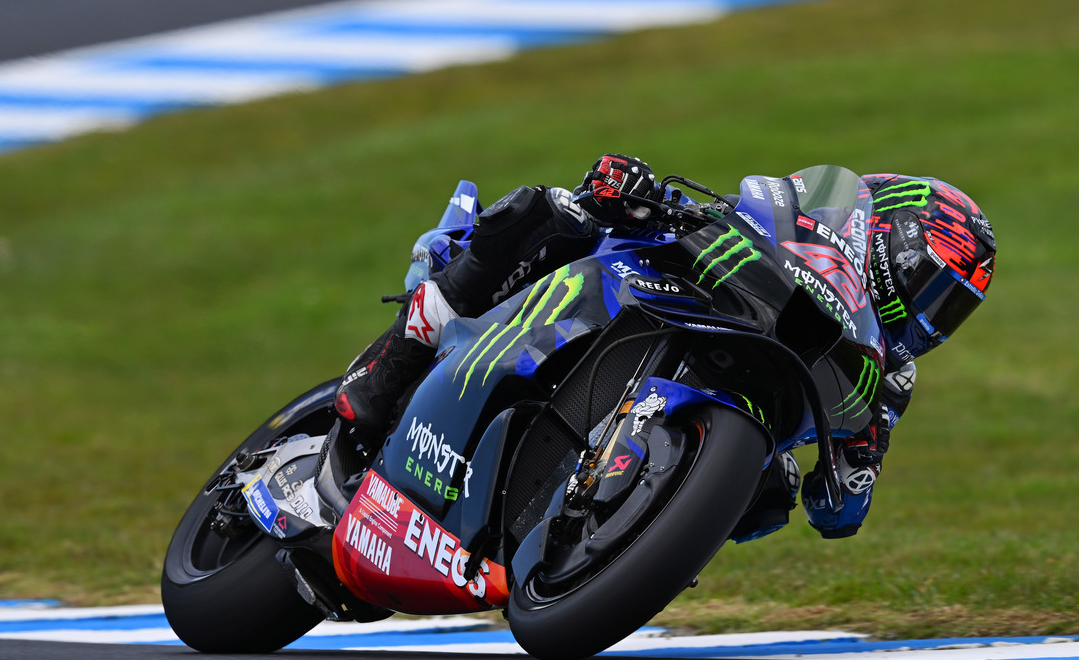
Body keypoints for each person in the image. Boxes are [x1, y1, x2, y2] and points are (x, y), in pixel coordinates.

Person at [333, 155, 997, 540]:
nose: (930, 315)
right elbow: (699, 208)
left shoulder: (883, 381)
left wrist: (855, 471)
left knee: (774, 494)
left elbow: (838, 513)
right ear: (886, 241)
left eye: (951, 309)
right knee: (556, 212)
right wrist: (632, 191)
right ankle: (398, 359)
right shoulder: (796, 227)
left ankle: (624, 536)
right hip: (660, 287)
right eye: (930, 286)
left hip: (738, 406)